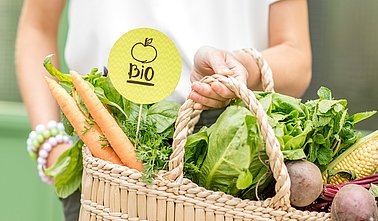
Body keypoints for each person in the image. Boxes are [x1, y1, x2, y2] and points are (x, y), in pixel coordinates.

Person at [15, 0, 311, 220]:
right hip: (104, 143)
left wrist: (238, 66)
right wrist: (50, 143)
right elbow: (37, 27)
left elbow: (297, 57)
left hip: (225, 148)